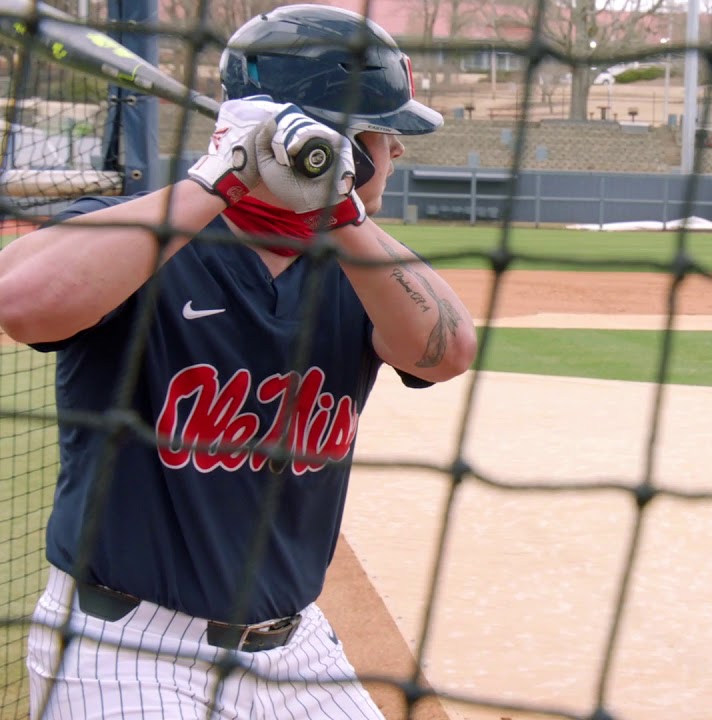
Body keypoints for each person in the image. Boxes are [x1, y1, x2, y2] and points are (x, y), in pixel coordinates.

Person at [0, 6, 476, 719]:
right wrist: (219, 176)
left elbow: (448, 353)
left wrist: (341, 212)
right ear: (340, 139)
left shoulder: (359, 270)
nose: (398, 151)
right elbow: (21, 303)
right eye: (386, 132)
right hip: (124, 647)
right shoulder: (144, 242)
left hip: (296, 648)